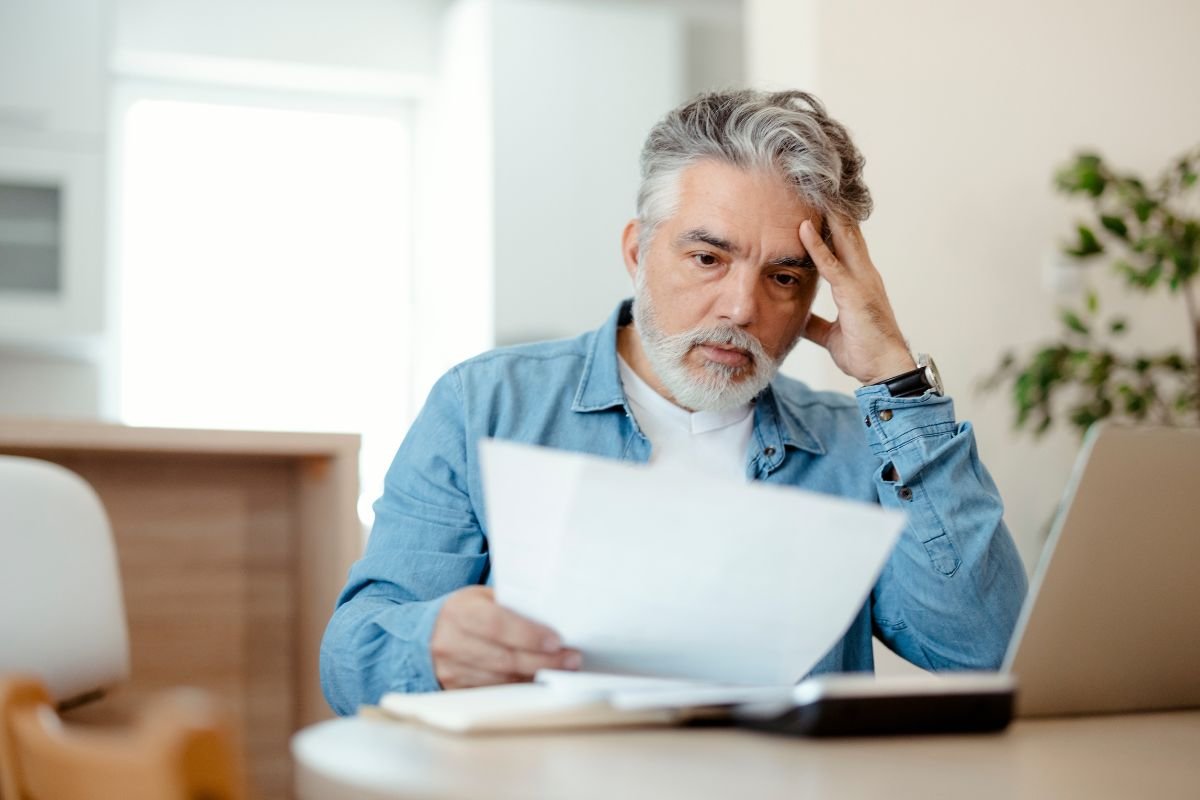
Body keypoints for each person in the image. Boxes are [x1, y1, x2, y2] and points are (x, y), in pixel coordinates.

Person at [319, 90, 1028, 715]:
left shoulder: (853, 446)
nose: (743, 307)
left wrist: (896, 384)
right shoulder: (486, 404)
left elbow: (984, 653)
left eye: (784, 276)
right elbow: (350, 661)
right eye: (708, 258)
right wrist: (433, 643)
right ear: (637, 251)